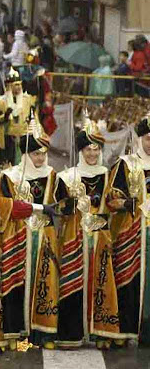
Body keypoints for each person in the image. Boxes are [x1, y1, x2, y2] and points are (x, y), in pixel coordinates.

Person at [55, 118, 119, 349]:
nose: (92, 153)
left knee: (100, 281)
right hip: (73, 236)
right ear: (80, 150)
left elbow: (112, 203)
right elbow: (59, 208)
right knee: (72, 282)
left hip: (100, 236)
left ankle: (102, 332)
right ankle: (71, 333)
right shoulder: (67, 177)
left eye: (96, 149)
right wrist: (71, 204)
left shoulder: (107, 174)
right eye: (88, 149)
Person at [0, 118, 59, 349]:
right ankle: (15, 332)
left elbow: (60, 203)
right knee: (16, 281)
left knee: (44, 282)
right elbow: (8, 207)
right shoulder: (10, 176)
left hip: (44, 235)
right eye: (35, 154)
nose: (40, 158)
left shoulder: (53, 175)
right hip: (18, 236)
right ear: (26, 154)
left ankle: (43, 333)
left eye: (43, 153)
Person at [106, 116, 150, 346]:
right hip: (132, 232)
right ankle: (125, 330)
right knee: (127, 280)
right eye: (149, 139)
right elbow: (110, 199)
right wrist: (128, 204)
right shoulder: (126, 164)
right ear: (140, 138)